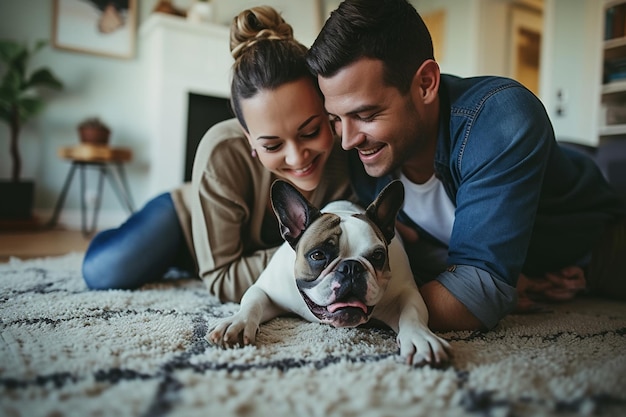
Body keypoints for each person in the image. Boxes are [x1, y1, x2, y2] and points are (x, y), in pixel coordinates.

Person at [306, 0, 626, 331]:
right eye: (336, 119)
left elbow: (472, 300)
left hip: (600, 247)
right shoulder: (358, 152)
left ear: (426, 83)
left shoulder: (501, 118)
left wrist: (348, 305)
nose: (347, 140)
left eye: (366, 114)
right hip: (524, 269)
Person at [82, 6, 355, 302]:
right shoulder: (222, 149)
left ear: (326, 111)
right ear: (248, 137)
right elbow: (223, 279)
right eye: (272, 146)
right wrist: (311, 255)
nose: (297, 157)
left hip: (244, 254)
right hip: (183, 227)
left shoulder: (349, 148)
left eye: (311, 131)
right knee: (103, 272)